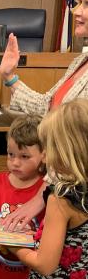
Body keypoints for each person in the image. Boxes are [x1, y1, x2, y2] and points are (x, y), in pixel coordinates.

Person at [0, 0, 88, 230]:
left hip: (76, 201)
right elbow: (49, 109)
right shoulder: (79, 63)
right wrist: (10, 77)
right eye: (79, 2)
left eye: (86, 4)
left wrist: (43, 196)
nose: (76, 11)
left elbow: (79, 148)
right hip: (60, 193)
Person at [8, 98, 88, 278]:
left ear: (65, 151)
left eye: (48, 147)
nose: (44, 157)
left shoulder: (61, 198)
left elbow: (45, 265)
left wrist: (15, 246)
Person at [0, 115, 46, 279]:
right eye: (10, 154)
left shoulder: (48, 191)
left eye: (24, 156)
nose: (15, 162)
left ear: (44, 155)